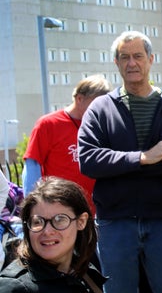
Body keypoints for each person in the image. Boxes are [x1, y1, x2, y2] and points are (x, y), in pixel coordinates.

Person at [77, 31, 162, 293]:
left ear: (150, 59)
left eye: (138, 56)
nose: (131, 63)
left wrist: (116, 164)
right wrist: (142, 157)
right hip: (116, 221)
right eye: (124, 57)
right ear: (116, 62)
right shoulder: (100, 108)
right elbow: (89, 161)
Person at [0, 177, 105, 293]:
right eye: (37, 222)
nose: (47, 231)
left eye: (59, 219)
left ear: (81, 222)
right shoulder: (16, 288)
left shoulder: (86, 274)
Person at [22, 75, 112, 211]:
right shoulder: (48, 124)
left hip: (96, 211)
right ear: (79, 99)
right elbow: (32, 167)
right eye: (97, 104)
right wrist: (32, 208)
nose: (101, 109)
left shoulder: (102, 126)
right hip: (58, 212)